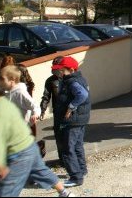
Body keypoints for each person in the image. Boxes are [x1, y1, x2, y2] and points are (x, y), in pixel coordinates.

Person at [0, 76, 75, 197]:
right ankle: (65, 193)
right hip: (30, 146)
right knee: (41, 172)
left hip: (19, 153)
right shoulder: (6, 102)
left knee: (5, 190)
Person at [52, 56, 90, 188]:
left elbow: (82, 95)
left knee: (68, 148)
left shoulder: (72, 81)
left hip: (72, 120)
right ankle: (81, 170)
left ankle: (75, 177)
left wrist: (70, 107)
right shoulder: (76, 79)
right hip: (79, 119)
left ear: (72, 69)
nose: (60, 73)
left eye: (62, 70)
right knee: (77, 145)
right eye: (59, 70)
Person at [40, 56, 64, 164]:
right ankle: (62, 159)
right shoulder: (50, 81)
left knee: (70, 136)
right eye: (54, 68)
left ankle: (73, 159)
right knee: (59, 135)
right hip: (58, 111)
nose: (55, 70)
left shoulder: (70, 78)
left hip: (70, 111)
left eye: (57, 68)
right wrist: (43, 110)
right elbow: (46, 96)